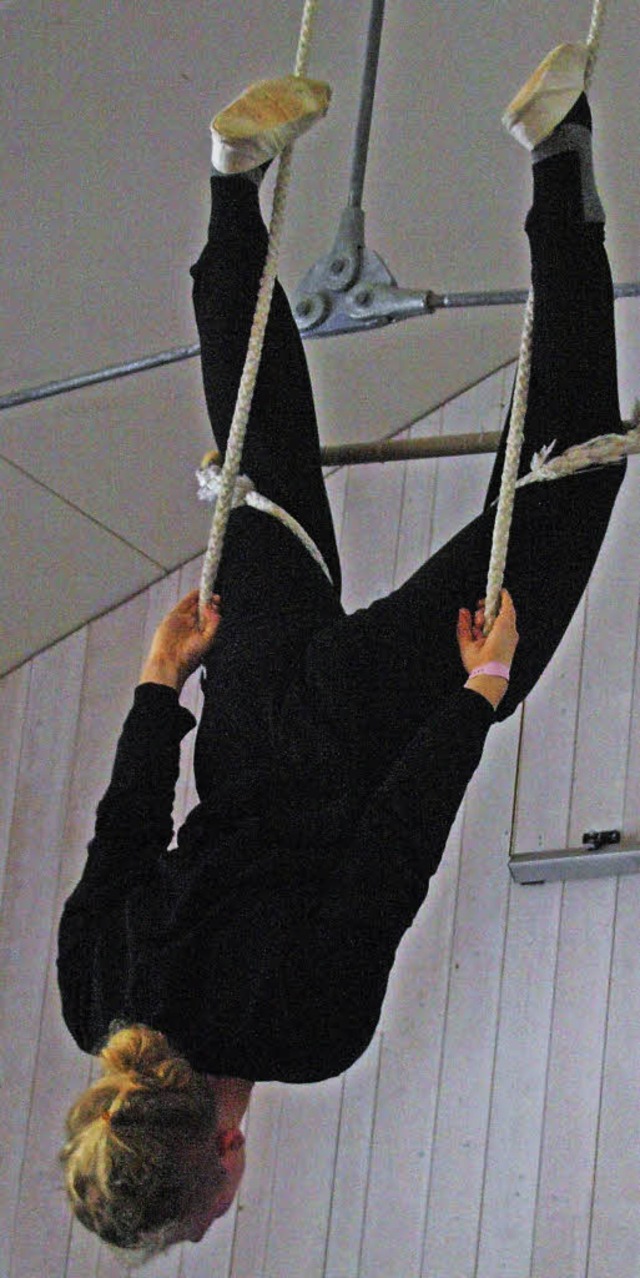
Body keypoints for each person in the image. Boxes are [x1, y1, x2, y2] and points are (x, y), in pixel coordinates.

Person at [57, 45, 626, 1263]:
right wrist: (163, 681)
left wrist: (476, 694)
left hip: (367, 720)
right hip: (249, 705)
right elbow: (123, 825)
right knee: (255, 458)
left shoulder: (305, 1035)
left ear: (221, 1157)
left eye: (204, 1224)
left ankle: (558, 151)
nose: (224, 1220)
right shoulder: (89, 999)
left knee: (574, 464)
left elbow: (393, 850)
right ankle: (229, 184)